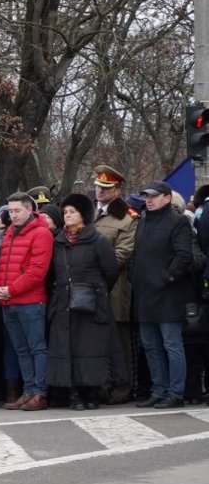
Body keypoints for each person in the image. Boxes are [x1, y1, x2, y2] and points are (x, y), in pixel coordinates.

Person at [48, 193, 118, 410]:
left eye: (73, 212)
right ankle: (74, 393)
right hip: (63, 304)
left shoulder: (98, 240)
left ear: (83, 216)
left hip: (90, 305)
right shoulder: (57, 242)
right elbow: (51, 273)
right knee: (67, 349)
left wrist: (94, 290)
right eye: (65, 212)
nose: (67, 215)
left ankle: (91, 392)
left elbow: (111, 272)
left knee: (89, 350)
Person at [131, 181, 194, 409]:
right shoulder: (144, 221)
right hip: (145, 294)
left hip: (168, 294)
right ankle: (159, 390)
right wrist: (134, 277)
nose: (149, 200)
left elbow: (183, 256)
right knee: (150, 345)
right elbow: (136, 254)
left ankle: (176, 392)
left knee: (171, 345)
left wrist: (166, 278)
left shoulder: (178, 223)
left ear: (167, 198)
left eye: (154, 196)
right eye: (147, 196)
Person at [0, 192, 53, 411]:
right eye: (10, 211)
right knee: (21, 349)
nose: (13, 215)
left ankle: (40, 393)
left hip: (30, 301)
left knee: (37, 348)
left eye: (17, 211)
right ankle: (28, 391)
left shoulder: (41, 234)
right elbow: (0, 266)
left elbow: (37, 272)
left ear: (29, 210)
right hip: (9, 301)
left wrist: (11, 290)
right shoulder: (9, 232)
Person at [91, 165, 138, 403]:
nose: (99, 191)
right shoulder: (89, 213)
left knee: (118, 341)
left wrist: (95, 270)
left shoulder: (127, 218)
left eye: (105, 188)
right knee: (95, 340)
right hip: (89, 287)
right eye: (98, 186)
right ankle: (100, 386)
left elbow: (123, 253)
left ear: (117, 190)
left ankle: (122, 387)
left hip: (115, 287)